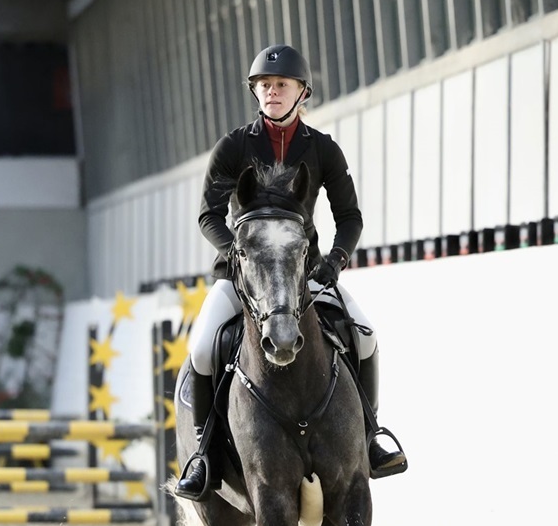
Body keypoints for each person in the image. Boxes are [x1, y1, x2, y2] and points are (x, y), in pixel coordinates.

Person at [174, 44, 407, 502]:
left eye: (281, 85)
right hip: (242, 275)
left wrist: (335, 261)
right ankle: (202, 453)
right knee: (202, 348)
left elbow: (350, 217)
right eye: (264, 85)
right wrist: (236, 254)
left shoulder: (322, 148)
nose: (272, 92)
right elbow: (208, 216)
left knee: (364, 335)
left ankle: (371, 437)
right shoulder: (233, 147)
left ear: (302, 92)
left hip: (306, 273)